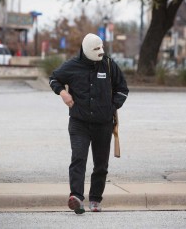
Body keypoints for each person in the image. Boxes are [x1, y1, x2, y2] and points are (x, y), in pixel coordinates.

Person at [49, 33, 129, 214]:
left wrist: (112, 107)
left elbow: (122, 89)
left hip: (103, 123)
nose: (100, 52)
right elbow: (54, 79)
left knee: (101, 164)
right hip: (79, 123)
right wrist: (63, 93)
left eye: (101, 48)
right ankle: (76, 196)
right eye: (95, 49)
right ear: (85, 50)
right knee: (78, 158)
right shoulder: (71, 66)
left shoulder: (108, 64)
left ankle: (95, 199)